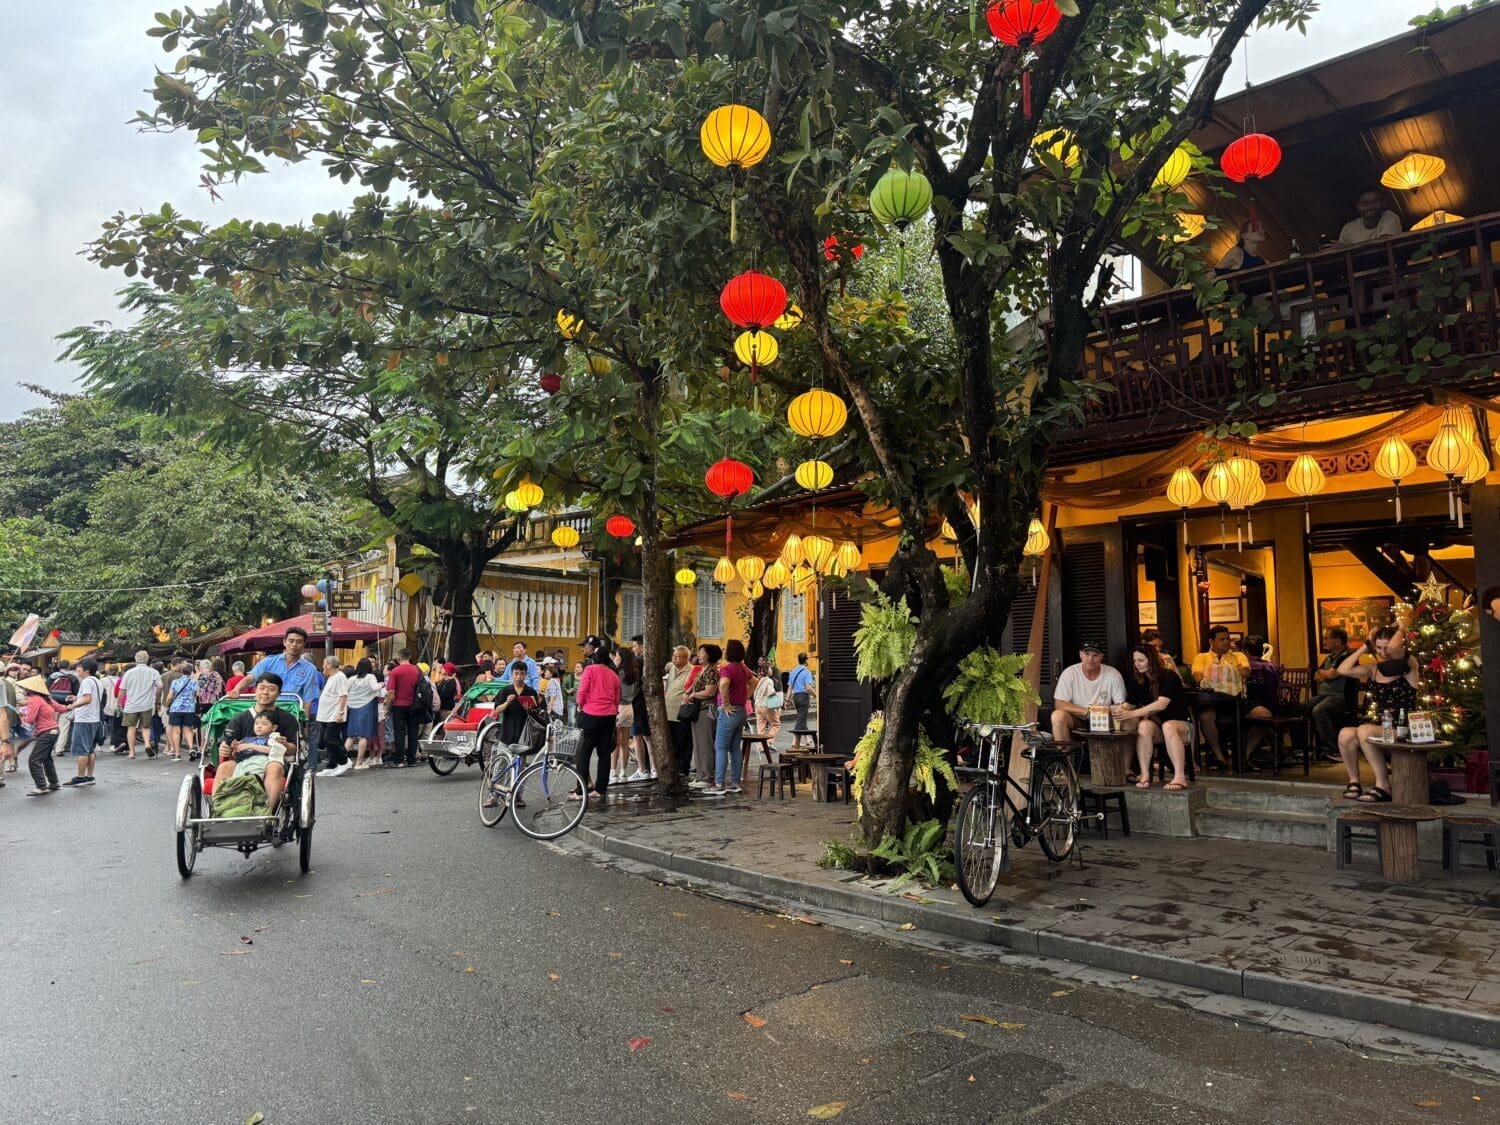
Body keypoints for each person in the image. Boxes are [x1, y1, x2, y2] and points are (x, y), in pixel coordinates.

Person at [1335, 625, 1419, 804]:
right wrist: (1366, 645)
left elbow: (1396, 649)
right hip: (1384, 730)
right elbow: (1343, 670)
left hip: (1404, 731)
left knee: (1365, 730)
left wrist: (1402, 629)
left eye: (1386, 647)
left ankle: (1383, 786)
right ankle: (1354, 782)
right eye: (1379, 648)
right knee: (1346, 733)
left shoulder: (1410, 667)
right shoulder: (1373, 669)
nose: (1384, 652)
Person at [216, 674, 301, 811]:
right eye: (262, 688)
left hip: (274, 760)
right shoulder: (240, 718)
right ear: (255, 690)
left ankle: (265, 814)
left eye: (271, 689)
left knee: (274, 767)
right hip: (243, 761)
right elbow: (227, 742)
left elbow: (294, 748)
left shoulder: (287, 718)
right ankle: (219, 811)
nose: (265, 692)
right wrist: (224, 747)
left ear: (279, 693)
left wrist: (284, 744)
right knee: (224, 767)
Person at [1113, 646, 1193, 791]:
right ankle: (1145, 775)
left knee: (1169, 725)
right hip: (1159, 726)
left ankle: (1180, 777)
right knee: (1144, 725)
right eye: (1135, 660)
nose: (1138, 663)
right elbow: (1130, 704)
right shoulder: (1137, 679)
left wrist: (1132, 714)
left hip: (1181, 725)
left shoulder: (1169, 676)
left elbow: (1161, 704)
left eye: (1141, 660)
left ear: (1152, 660)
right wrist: (1116, 710)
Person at [1189, 626, 1248, 767]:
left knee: (1263, 714)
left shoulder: (1238, 655)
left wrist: (1213, 672)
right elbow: (1197, 677)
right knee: (1205, 716)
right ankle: (1219, 755)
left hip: (1236, 701)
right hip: (1212, 701)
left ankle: (1244, 756)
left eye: (1228, 638)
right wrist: (1229, 672)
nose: (1226, 642)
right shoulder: (1202, 657)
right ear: (1211, 641)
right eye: (1222, 639)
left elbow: (1245, 672)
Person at [1049, 642, 1127, 743]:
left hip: (1104, 720)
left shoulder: (1113, 674)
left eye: (1095, 655)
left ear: (1101, 657)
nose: (1090, 659)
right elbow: (1059, 704)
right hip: (1078, 720)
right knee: (1057, 716)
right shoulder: (1069, 673)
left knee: (1131, 719)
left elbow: (1121, 704)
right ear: (1080, 654)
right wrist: (1088, 711)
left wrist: (1104, 711)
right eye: (1087, 654)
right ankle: (1064, 756)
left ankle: (1121, 757)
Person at [573, 644, 621, 802]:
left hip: (590, 715)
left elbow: (582, 691)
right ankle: (600, 790)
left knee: (583, 753)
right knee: (604, 754)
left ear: (594, 658)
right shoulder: (614, 675)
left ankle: (581, 790)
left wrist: (580, 705)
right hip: (609, 717)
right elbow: (616, 699)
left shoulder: (590, 670)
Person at [709, 639, 756, 797]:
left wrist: (726, 703)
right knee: (735, 748)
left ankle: (719, 783)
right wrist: (745, 698)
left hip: (729, 712)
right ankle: (735, 782)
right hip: (741, 710)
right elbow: (755, 682)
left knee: (720, 747)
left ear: (729, 652)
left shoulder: (727, 669)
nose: (723, 651)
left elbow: (723, 685)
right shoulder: (743, 668)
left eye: (726, 649)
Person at [14, 675, 68, 795]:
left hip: (46, 732)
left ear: (30, 689)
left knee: (34, 760)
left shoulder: (34, 699)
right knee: (46, 758)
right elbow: (61, 708)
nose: (24, 690)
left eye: (25, 688)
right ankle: (54, 782)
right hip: (54, 730)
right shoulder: (46, 698)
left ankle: (41, 786)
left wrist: (21, 715)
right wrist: (71, 705)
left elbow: (30, 718)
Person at [1308, 626, 1355, 759]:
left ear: (1338, 641)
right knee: (1301, 706)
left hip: (1340, 697)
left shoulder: (1347, 656)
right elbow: (1316, 676)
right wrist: (1326, 674)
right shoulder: (1329, 658)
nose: (1324, 642)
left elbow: (1333, 674)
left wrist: (1327, 674)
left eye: (1327, 638)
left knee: (1318, 710)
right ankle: (1302, 748)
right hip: (1324, 696)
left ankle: (1333, 749)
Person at [1240, 635, 1281, 768]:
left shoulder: (1244, 668)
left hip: (1252, 708)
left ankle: (1244, 754)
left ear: (1245, 651)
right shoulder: (1273, 667)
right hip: (1274, 706)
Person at [64, 657, 104, 787]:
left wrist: (73, 705)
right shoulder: (97, 681)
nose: (77, 670)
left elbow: (87, 699)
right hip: (94, 718)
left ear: (86, 669)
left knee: (82, 750)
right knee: (90, 749)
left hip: (84, 719)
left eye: (79, 667)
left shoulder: (87, 681)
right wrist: (76, 697)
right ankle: (89, 776)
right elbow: (90, 698)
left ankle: (80, 777)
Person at [688, 645, 721, 789]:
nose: (699, 655)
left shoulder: (712, 672)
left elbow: (709, 692)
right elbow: (693, 687)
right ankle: (701, 774)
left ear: (710, 655)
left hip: (706, 710)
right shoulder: (701, 670)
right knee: (698, 744)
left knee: (705, 744)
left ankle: (707, 776)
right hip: (697, 709)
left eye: (702, 653)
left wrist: (693, 695)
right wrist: (688, 694)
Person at [119, 650, 161, 759]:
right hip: (147, 704)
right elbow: (160, 686)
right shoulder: (153, 672)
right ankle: (147, 744)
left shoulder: (129, 673)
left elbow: (122, 690)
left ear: (136, 659)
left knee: (131, 728)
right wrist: (157, 697)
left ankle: (132, 752)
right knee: (145, 727)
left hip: (131, 704)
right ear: (147, 659)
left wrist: (119, 702)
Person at [384, 649, 421, 768]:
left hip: (399, 705)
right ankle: (412, 760)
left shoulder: (395, 671)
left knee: (399, 733)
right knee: (413, 733)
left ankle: (399, 760)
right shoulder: (417, 670)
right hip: (415, 705)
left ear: (399, 658)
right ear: (409, 657)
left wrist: (388, 707)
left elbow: (391, 692)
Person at [345, 657, 383, 770]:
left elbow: (345, 690)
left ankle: (339, 759)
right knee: (364, 735)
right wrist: (381, 684)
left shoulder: (352, 679)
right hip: (367, 707)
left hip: (353, 707)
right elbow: (374, 687)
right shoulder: (370, 677)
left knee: (351, 735)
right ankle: (359, 763)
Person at [315, 656, 351, 777]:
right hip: (326, 714)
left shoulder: (340, 677)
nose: (323, 667)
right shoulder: (331, 677)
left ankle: (343, 760)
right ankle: (331, 765)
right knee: (326, 739)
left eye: (324, 664)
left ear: (329, 664)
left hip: (334, 714)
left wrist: (340, 712)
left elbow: (343, 695)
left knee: (330, 738)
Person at [663, 645, 696, 776]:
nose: (675, 659)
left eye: (679, 657)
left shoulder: (692, 671)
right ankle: (674, 765)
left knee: (685, 741)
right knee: (672, 741)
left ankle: (684, 767)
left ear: (687, 658)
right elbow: (665, 665)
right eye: (674, 656)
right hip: (668, 710)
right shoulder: (671, 667)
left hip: (682, 711)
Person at [1334, 189, 1401, 248]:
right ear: (1358, 207)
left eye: (1375, 202)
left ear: (1383, 203)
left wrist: (1348, 247)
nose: (1370, 206)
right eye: (1365, 203)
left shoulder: (1391, 217)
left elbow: (1383, 246)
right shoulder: (1348, 228)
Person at [495, 660, 541, 745]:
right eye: (516, 674)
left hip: (525, 735)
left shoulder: (531, 692)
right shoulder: (505, 691)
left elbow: (536, 713)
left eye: (522, 674)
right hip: (506, 734)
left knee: (522, 758)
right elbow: (497, 710)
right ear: (511, 674)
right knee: (503, 757)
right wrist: (507, 702)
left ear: (526, 675)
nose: (518, 677)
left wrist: (530, 709)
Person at [613, 648, 641, 783]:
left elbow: (616, 692)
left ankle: (613, 773)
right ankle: (623, 773)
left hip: (619, 707)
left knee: (615, 743)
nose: (614, 658)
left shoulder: (619, 672)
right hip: (629, 707)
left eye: (616, 656)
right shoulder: (633, 672)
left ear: (621, 657)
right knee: (625, 743)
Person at [788, 652, 815, 742]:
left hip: (795, 697)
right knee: (801, 718)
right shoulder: (807, 672)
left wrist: (787, 700)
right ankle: (794, 741)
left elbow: (790, 687)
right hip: (803, 696)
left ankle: (807, 739)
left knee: (802, 717)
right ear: (806, 660)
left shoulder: (793, 672)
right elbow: (808, 687)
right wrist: (815, 695)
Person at [753, 663, 783, 742]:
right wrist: (776, 696)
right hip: (766, 705)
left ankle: (761, 745)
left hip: (757, 705)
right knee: (776, 724)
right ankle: (769, 742)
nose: (771, 670)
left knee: (761, 725)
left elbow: (755, 693)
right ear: (766, 671)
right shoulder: (769, 681)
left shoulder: (760, 680)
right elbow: (770, 692)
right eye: (770, 669)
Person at [562, 661, 581, 726]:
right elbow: (564, 686)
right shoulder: (571, 676)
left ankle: (574, 734)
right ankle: (569, 734)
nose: (576, 668)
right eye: (576, 667)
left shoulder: (586, 677)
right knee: (572, 720)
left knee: (578, 721)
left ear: (583, 669)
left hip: (582, 703)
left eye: (578, 667)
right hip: (572, 701)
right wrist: (568, 691)